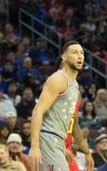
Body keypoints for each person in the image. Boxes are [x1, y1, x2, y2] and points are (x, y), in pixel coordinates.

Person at [27, 41, 83, 171]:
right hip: (48, 138)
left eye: (82, 53)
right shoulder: (58, 79)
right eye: (75, 52)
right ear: (64, 57)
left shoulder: (74, 85)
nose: (80, 56)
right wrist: (34, 146)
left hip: (57, 141)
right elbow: (38, 110)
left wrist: (62, 148)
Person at [64, 94, 94, 171]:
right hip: (52, 145)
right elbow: (39, 113)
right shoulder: (56, 85)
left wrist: (87, 153)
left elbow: (74, 125)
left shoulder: (77, 93)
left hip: (66, 146)